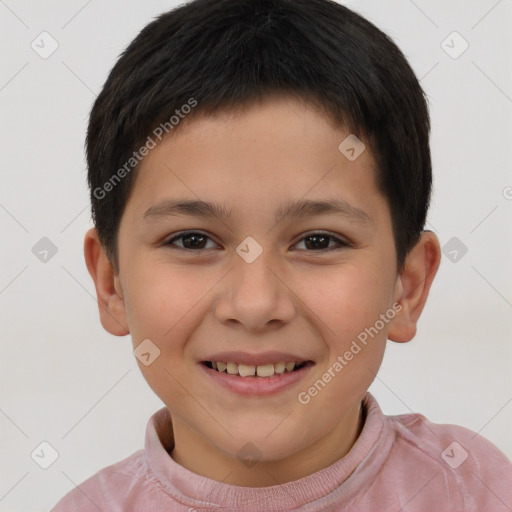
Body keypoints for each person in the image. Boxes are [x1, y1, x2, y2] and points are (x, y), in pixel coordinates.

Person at [51, 0, 512, 510]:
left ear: (407, 286)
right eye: (192, 240)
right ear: (111, 282)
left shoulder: (473, 487)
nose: (254, 305)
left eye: (318, 241)